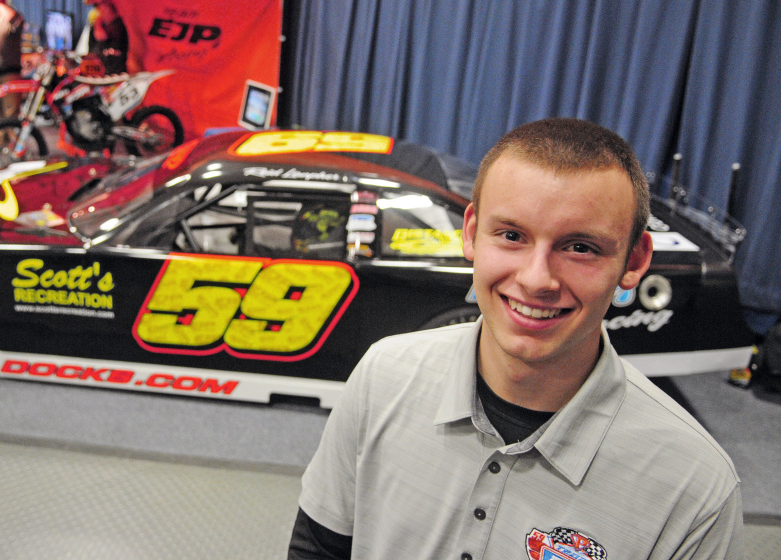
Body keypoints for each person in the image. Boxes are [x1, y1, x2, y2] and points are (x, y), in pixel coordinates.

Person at [289, 118, 743, 559]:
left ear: (635, 259)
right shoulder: (381, 377)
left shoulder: (696, 487)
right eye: (511, 235)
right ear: (471, 234)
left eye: (580, 247)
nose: (536, 279)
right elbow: (318, 549)